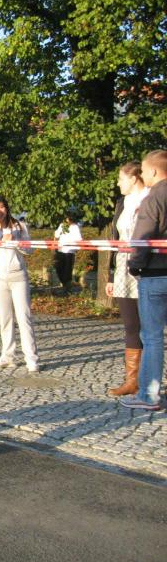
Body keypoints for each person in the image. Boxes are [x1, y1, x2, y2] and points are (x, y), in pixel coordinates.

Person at [124, 149, 167, 410]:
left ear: (153, 170)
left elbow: (142, 238)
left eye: (143, 169)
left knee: (152, 337)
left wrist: (135, 265)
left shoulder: (154, 198)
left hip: (155, 274)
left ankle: (149, 395)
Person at [0, 195, 40, 372]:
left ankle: (32, 358)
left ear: (7, 208)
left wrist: (15, 242)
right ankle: (7, 356)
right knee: (5, 319)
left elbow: (29, 249)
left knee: (24, 318)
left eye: (2, 207)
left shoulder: (19, 226)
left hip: (18, 277)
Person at [105, 162, 148, 397]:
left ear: (133, 178)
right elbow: (115, 239)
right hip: (123, 266)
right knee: (131, 325)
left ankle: (149, 379)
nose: (118, 183)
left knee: (150, 326)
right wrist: (111, 275)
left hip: (149, 267)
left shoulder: (151, 199)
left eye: (121, 178)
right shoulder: (122, 203)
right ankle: (132, 380)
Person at [54, 214, 82, 294]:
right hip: (60, 250)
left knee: (67, 272)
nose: (67, 220)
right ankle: (64, 286)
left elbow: (79, 239)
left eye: (68, 218)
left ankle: (67, 289)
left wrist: (76, 247)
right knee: (58, 269)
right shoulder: (62, 225)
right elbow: (56, 235)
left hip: (70, 252)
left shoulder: (75, 227)